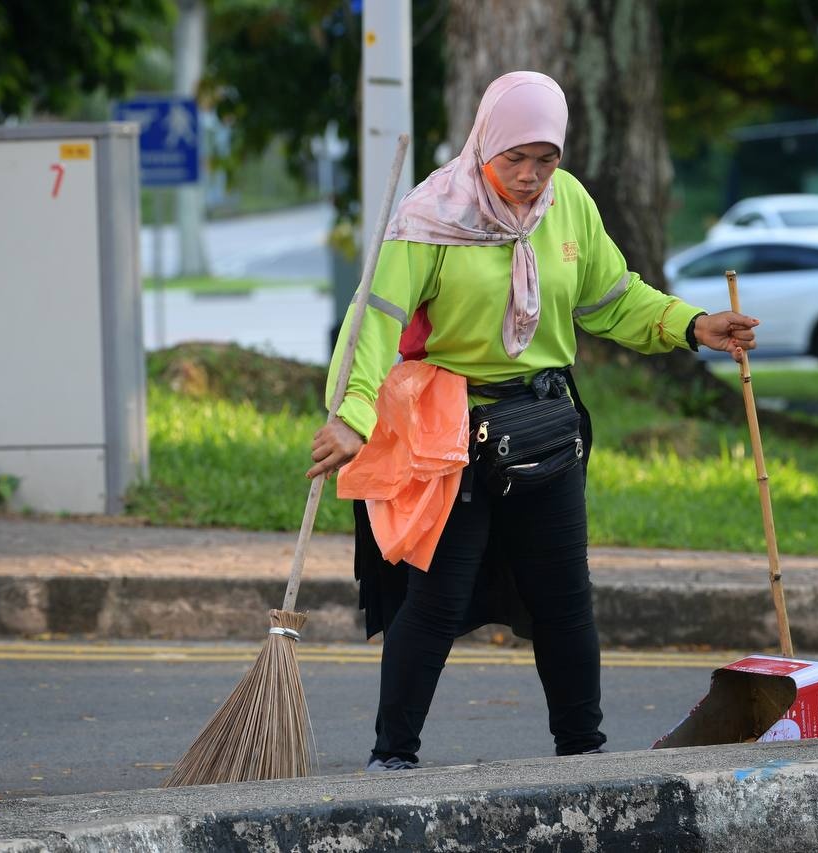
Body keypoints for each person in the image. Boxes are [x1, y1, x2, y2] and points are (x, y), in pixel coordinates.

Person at [306, 71, 758, 771]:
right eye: (514, 158)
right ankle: (392, 757)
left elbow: (613, 299)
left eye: (545, 159)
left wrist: (693, 325)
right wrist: (353, 415)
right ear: (483, 143)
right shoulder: (430, 216)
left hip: (545, 424)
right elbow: (376, 322)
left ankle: (584, 755)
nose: (529, 175)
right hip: (453, 431)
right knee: (436, 596)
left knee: (564, 598)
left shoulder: (567, 203)